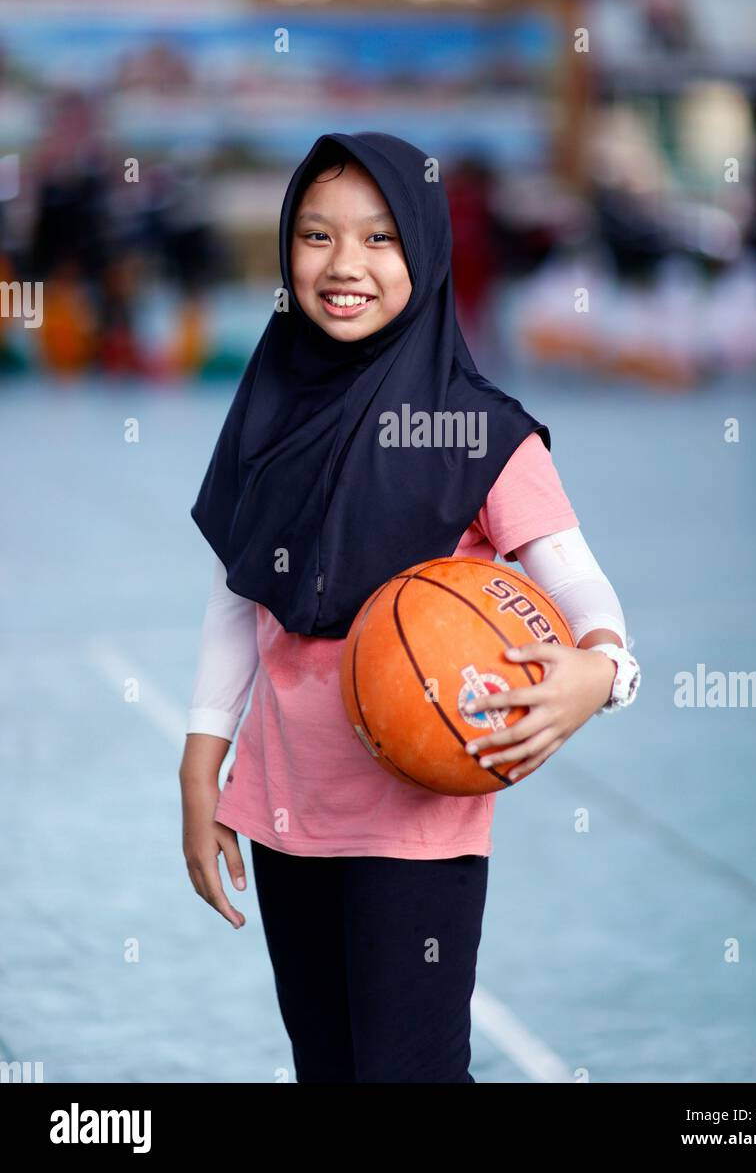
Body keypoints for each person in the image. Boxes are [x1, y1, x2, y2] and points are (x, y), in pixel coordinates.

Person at [178, 131, 640, 1084]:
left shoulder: (482, 430)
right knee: (330, 1068)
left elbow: (578, 580)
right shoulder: (267, 404)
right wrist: (202, 752)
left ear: (425, 251)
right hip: (285, 801)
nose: (344, 265)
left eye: (379, 239)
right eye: (315, 236)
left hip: (417, 808)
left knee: (410, 1073)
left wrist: (603, 668)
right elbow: (239, 587)